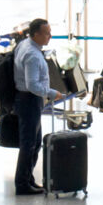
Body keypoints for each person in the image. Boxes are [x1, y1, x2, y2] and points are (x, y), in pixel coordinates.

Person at [13, 19, 66, 195]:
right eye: (46, 33)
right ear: (35, 34)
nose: (50, 36)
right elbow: (32, 85)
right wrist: (52, 93)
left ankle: (28, 178)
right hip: (30, 100)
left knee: (34, 143)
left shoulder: (25, 45)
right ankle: (22, 183)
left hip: (29, 100)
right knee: (29, 144)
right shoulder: (32, 55)